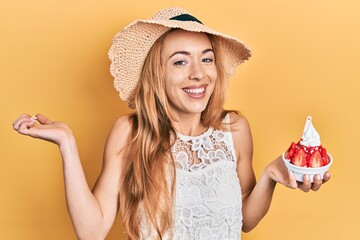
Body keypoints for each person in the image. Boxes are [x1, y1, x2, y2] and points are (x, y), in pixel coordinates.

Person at [12, 7, 330, 240]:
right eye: (180, 61)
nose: (198, 73)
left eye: (206, 58)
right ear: (157, 74)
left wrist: (271, 175)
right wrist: (67, 143)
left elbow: (245, 220)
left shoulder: (235, 129)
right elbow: (92, 231)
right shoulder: (130, 132)